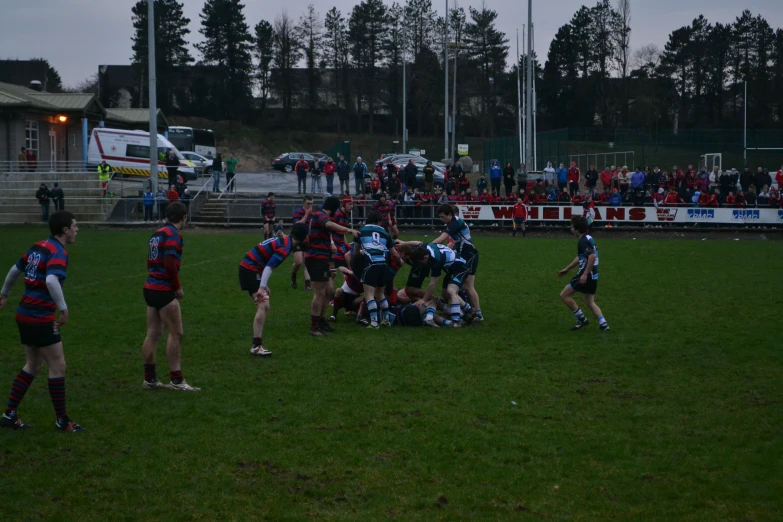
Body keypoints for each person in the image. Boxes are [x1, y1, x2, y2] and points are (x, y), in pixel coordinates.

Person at [0, 210, 85, 432]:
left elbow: (14, 270)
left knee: (34, 364)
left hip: (24, 313)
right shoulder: (58, 251)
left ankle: (9, 414)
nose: (77, 229)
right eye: (74, 226)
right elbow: (51, 280)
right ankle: (63, 421)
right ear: (65, 230)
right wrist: (64, 309)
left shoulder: (37, 247)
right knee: (58, 366)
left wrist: (5, 293)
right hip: (40, 316)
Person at [141, 201, 199, 392]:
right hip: (163, 289)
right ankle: (176, 380)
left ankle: (149, 379)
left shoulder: (156, 233)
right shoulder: (174, 235)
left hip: (150, 286)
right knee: (176, 333)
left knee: (153, 333)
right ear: (184, 217)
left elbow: (150, 262)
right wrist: (178, 287)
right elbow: (169, 264)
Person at [239, 223, 309, 356]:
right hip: (250, 269)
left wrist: (264, 284)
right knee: (263, 305)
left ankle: (257, 345)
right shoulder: (285, 248)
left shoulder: (285, 241)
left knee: (265, 306)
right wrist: (261, 287)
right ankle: (256, 346)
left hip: (250, 268)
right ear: (303, 238)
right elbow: (268, 267)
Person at [306, 196, 358, 336]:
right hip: (316, 258)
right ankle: (314, 326)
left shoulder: (321, 215)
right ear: (334, 208)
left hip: (323, 258)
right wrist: (349, 230)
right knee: (320, 293)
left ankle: (321, 320)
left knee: (329, 291)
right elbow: (329, 225)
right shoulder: (320, 215)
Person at [557, 216, 609, 332]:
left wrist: (584, 274)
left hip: (585, 275)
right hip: (594, 275)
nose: (570, 228)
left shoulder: (582, 242)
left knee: (564, 295)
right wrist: (567, 268)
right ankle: (603, 324)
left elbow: (591, 256)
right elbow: (582, 257)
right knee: (589, 301)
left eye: (572, 226)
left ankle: (581, 319)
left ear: (577, 228)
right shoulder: (589, 238)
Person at [432, 204, 482, 321]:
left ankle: (478, 314)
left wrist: (426, 247)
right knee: (455, 287)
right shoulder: (452, 222)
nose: (441, 220)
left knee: (468, 286)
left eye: (443, 217)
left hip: (469, 255)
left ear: (450, 215)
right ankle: (463, 311)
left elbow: (440, 239)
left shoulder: (455, 223)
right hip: (462, 255)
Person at [407, 243, 469, 327]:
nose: (421, 264)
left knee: (451, 291)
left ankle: (456, 321)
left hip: (461, 268)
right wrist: (404, 243)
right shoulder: (425, 248)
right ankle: (469, 310)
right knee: (445, 294)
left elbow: (433, 283)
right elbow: (418, 242)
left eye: (421, 262)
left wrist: (424, 300)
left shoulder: (436, 262)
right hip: (451, 268)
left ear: (425, 258)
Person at [354, 210, 392, 329]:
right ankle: (386, 320)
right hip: (384, 264)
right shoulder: (385, 232)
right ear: (379, 221)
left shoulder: (361, 231)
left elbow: (356, 252)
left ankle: (374, 323)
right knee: (380, 294)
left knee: (369, 294)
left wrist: (362, 252)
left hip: (371, 264)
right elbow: (393, 251)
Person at [291, 196, 314, 290]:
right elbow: (297, 225)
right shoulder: (297, 212)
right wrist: (306, 214)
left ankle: (307, 284)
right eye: (308, 203)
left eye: (311, 204)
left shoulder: (313, 214)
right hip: (297, 239)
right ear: (303, 203)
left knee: (307, 262)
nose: (310, 205)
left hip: (307, 240)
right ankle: (293, 276)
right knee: (298, 262)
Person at [332, 196, 354, 271]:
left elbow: (343, 232)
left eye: (352, 204)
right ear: (344, 204)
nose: (352, 206)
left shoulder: (346, 215)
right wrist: (332, 243)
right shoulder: (337, 214)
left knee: (343, 265)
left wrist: (346, 245)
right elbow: (329, 228)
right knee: (335, 268)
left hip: (340, 243)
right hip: (334, 244)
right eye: (349, 204)